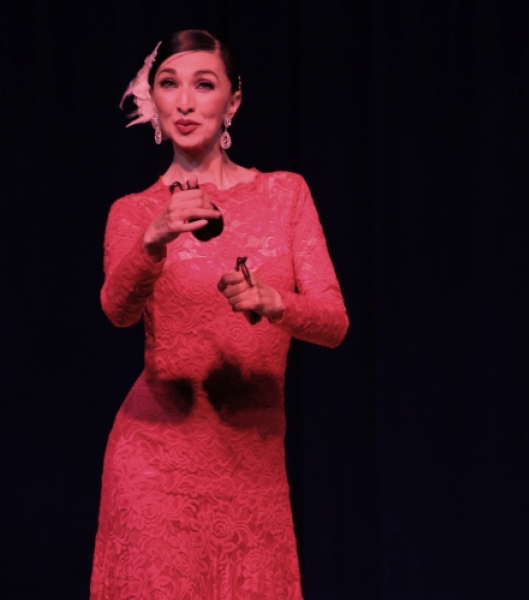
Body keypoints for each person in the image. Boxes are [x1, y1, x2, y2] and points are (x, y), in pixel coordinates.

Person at [90, 30, 348, 599]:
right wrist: (151, 244)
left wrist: (273, 302)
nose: (185, 102)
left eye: (203, 85)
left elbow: (334, 322)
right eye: (169, 84)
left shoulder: (285, 195)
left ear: (231, 102)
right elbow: (117, 311)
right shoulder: (133, 212)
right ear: (153, 100)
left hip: (251, 461)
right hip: (156, 465)